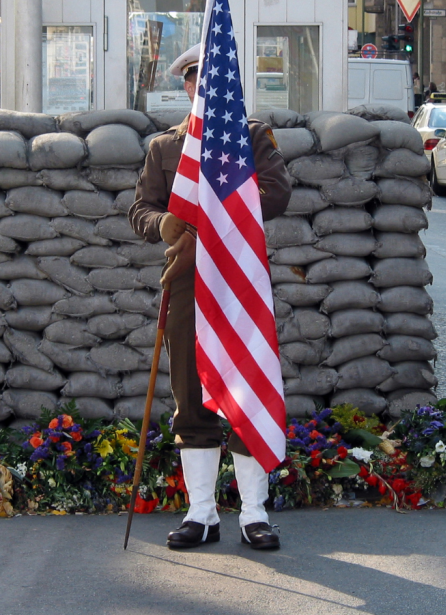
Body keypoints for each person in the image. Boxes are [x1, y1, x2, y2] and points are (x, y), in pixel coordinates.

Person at [129, 43, 292, 552]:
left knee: (245, 391)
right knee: (191, 399)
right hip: (187, 284)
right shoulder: (164, 148)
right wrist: (165, 223)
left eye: (215, 78)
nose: (205, 86)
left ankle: (253, 513)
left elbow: (277, 192)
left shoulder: (253, 137)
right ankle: (202, 513)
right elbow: (140, 211)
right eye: (196, 79)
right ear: (186, 86)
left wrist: (218, 212)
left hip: (239, 286)